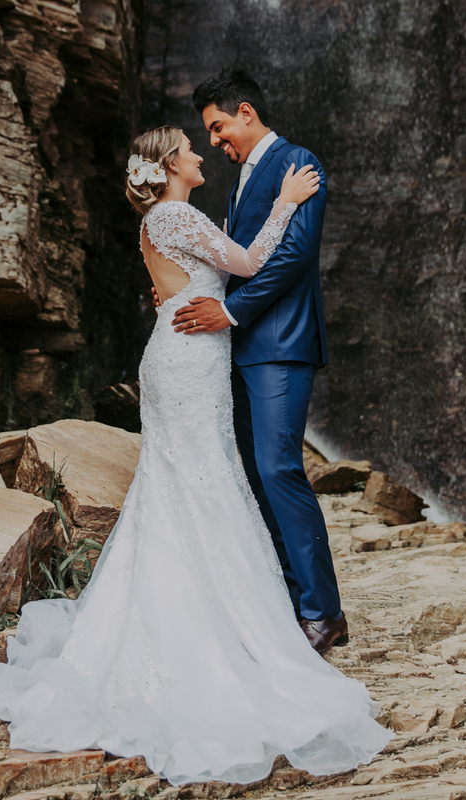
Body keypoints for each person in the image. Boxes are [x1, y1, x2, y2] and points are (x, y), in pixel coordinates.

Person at [0, 124, 391, 786]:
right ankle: (227, 631)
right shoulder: (177, 213)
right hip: (189, 364)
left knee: (181, 489)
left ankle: (201, 619)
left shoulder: (166, 218)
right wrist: (285, 204)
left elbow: (193, 279)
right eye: (191, 146)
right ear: (168, 165)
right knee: (202, 483)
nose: (201, 151)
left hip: (184, 356)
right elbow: (246, 265)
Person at [170, 68, 346, 653]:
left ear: (246, 112)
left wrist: (231, 313)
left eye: (218, 127)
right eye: (210, 135)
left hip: (278, 344)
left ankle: (324, 612)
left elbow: (294, 254)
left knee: (278, 469)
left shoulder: (298, 162)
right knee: (251, 473)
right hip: (240, 349)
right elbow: (238, 259)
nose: (216, 141)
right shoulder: (243, 179)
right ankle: (294, 604)